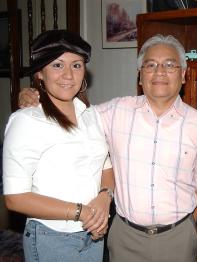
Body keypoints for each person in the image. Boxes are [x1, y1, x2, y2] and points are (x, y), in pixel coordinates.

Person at [18, 34, 197, 262]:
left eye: (170, 65)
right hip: (124, 238)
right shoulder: (116, 111)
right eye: (150, 65)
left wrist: (186, 227)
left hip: (177, 239)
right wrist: (34, 96)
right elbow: (71, 111)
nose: (159, 71)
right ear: (140, 76)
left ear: (183, 75)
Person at [3, 30, 114, 262]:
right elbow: (15, 198)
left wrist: (105, 197)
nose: (68, 75)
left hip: (93, 234)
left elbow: (105, 165)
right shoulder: (27, 120)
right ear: (40, 73)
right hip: (51, 237)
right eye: (57, 65)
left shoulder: (90, 115)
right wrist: (81, 212)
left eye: (76, 65)